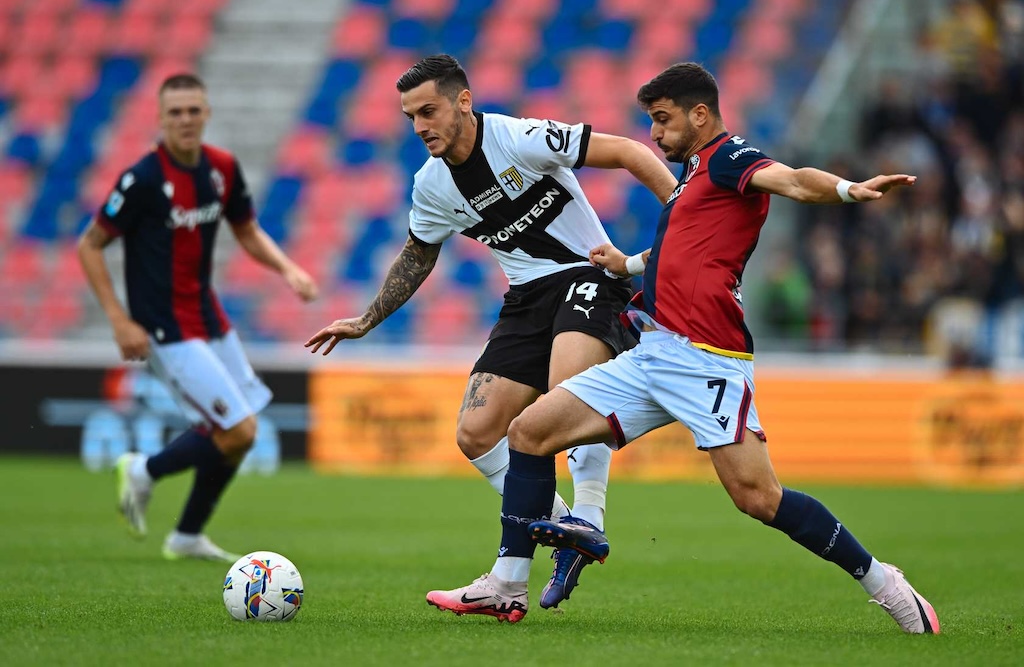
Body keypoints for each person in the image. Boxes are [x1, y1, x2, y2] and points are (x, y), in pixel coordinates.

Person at [426, 62, 941, 634]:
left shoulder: (728, 157)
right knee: (528, 432)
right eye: (651, 121)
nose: (655, 134)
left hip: (708, 362)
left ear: (700, 115)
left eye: (663, 120)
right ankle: (507, 582)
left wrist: (849, 190)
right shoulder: (694, 180)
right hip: (654, 353)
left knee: (757, 497)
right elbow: (681, 255)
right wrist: (626, 264)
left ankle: (883, 581)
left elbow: (792, 180)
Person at [305, 54, 677, 608]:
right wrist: (367, 318)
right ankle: (566, 529)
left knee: (563, 403)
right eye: (410, 116)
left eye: (428, 110)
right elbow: (417, 254)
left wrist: (683, 213)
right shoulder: (432, 186)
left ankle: (583, 519)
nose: (420, 126)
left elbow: (625, 151)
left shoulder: (519, 138)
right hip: (526, 299)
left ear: (463, 101)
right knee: (475, 434)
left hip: (587, 276)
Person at [78, 73, 318, 561]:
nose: (185, 120)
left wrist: (287, 269)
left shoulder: (221, 169)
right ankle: (144, 470)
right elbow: (90, 245)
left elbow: (247, 230)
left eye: (193, 110)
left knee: (234, 437)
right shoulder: (142, 179)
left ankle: (186, 534)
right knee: (240, 430)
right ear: (161, 119)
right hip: (163, 326)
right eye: (175, 112)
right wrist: (119, 321)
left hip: (209, 315)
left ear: (206, 113)